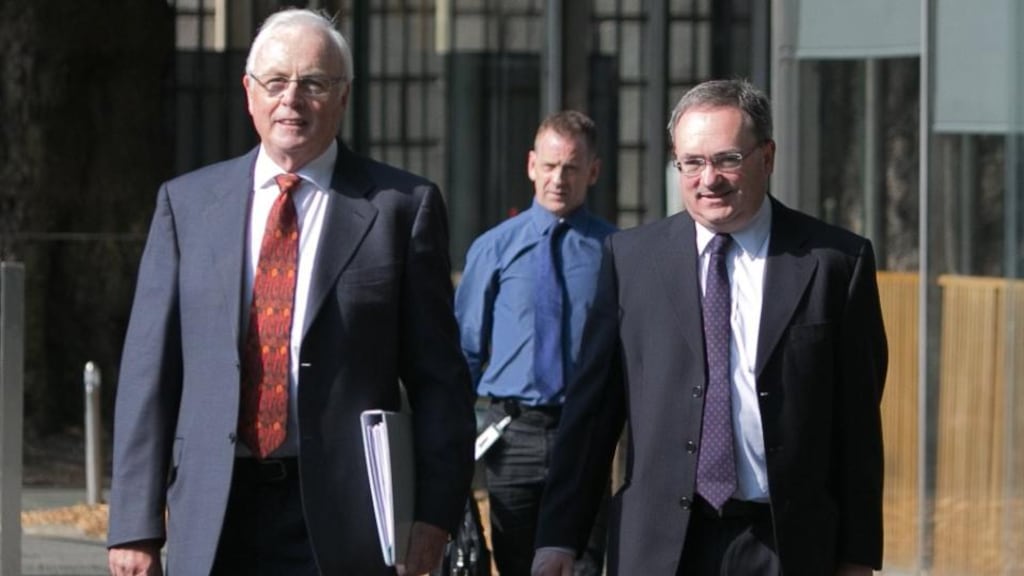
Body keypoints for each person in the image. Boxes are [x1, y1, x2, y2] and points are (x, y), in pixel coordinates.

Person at [106, 8, 475, 576]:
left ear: (344, 95)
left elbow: (440, 381)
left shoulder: (400, 208)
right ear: (248, 92)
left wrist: (434, 517)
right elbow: (148, 375)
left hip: (345, 519)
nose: (291, 100)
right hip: (214, 510)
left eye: (314, 83)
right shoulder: (187, 206)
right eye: (276, 82)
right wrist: (135, 524)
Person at [531, 79, 887, 576]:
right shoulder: (631, 260)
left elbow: (857, 431)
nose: (709, 179)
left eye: (727, 160)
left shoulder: (834, 263)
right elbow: (592, 416)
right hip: (660, 547)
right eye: (692, 163)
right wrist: (558, 539)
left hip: (785, 544)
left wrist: (857, 557)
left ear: (767, 156)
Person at [455, 110, 615, 576]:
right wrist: (450, 446)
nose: (558, 179)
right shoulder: (494, 248)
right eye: (549, 166)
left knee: (583, 566)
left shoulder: (616, 253)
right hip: (513, 432)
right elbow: (465, 348)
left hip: (584, 430)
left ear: (593, 171)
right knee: (518, 563)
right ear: (530, 166)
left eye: (570, 167)